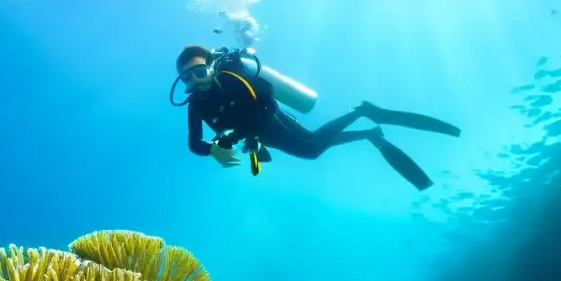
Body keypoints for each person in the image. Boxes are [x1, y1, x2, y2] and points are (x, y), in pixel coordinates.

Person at [172, 44, 461, 191]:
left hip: (270, 121)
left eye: (198, 73)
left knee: (310, 148)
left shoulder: (233, 79)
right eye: (187, 79)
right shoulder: (195, 104)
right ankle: (368, 133)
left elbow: (267, 103)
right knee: (311, 146)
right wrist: (212, 149)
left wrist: (231, 138)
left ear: (210, 68)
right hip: (258, 134)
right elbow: (193, 142)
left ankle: (361, 112)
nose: (195, 83)